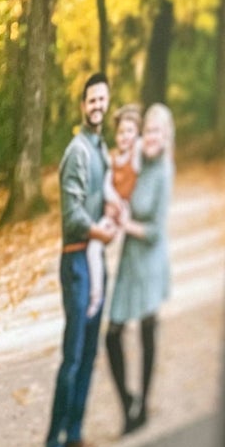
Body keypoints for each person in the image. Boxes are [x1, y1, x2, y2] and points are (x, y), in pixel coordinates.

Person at [45, 73, 118, 447]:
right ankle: (52, 445)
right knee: (73, 354)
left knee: (90, 352)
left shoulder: (101, 148)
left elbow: (101, 199)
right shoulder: (78, 152)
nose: (97, 105)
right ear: (82, 105)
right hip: (77, 258)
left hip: (97, 259)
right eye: (92, 99)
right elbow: (73, 216)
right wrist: (98, 230)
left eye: (103, 99)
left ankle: (73, 434)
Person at [105, 102, 176, 435]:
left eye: (159, 132)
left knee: (148, 329)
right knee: (113, 335)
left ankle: (143, 405)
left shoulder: (164, 171)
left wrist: (126, 223)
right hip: (129, 260)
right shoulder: (135, 161)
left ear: (166, 137)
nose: (153, 136)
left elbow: (156, 230)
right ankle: (127, 403)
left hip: (149, 258)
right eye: (149, 130)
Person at [88, 101, 141, 317]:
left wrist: (133, 119)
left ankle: (131, 298)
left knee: (129, 254)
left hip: (127, 211)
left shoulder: (135, 157)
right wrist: (113, 200)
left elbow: (141, 143)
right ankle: (96, 293)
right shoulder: (111, 158)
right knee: (93, 245)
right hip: (114, 209)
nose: (125, 136)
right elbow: (106, 185)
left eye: (130, 131)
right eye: (121, 132)